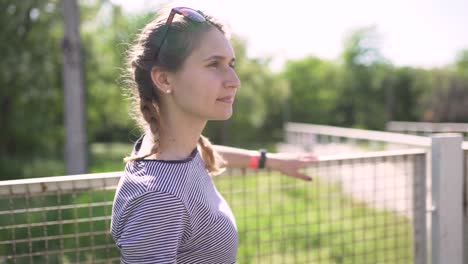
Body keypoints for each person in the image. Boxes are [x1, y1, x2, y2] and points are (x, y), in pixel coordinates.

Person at [110, 6, 316, 263]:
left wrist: (270, 161)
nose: (234, 80)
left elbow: (208, 154)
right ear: (164, 80)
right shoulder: (159, 200)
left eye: (231, 64)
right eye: (213, 64)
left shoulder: (178, 152)